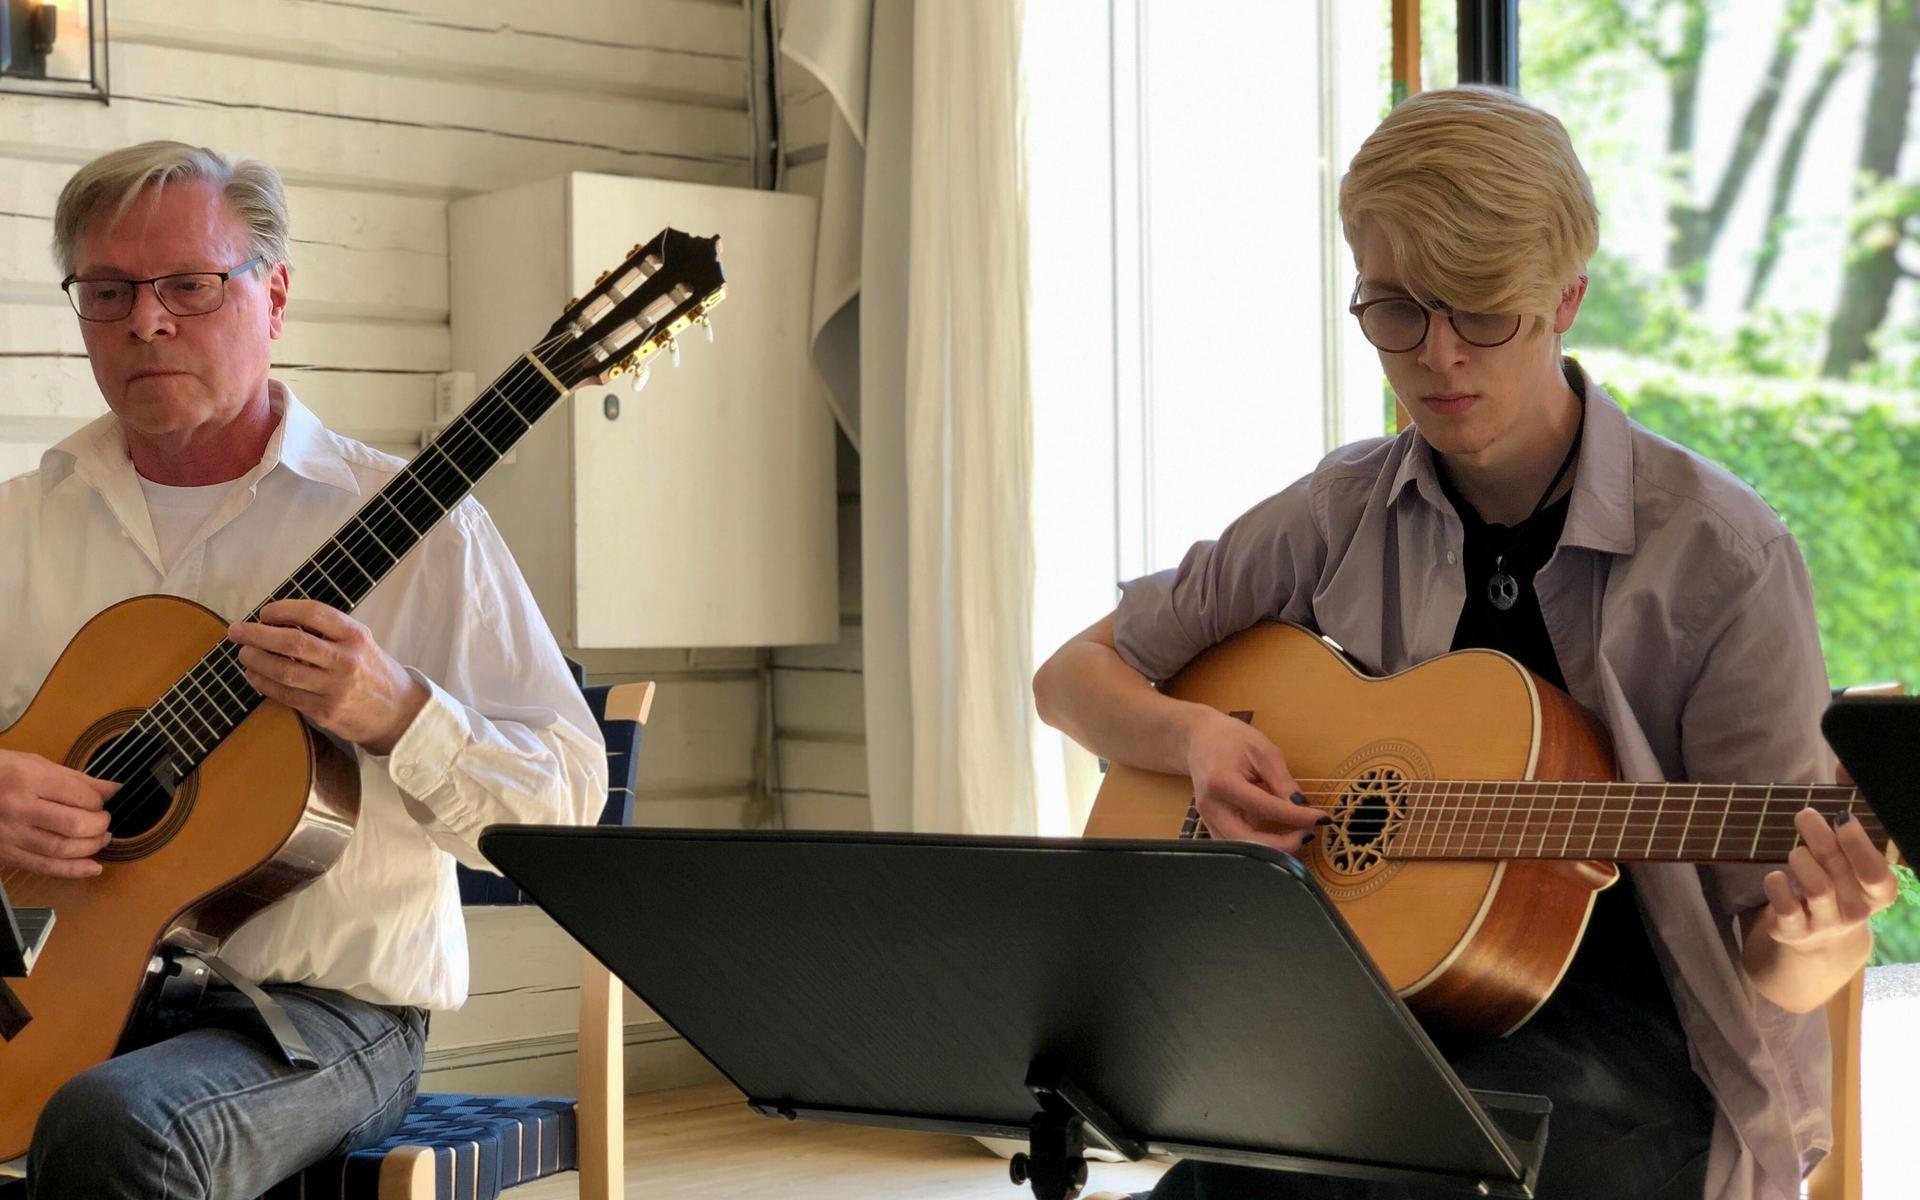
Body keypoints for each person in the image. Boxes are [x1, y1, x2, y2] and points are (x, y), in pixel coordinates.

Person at [1034, 87, 1897, 1200]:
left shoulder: (1723, 559)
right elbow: (1073, 678)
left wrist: (1821, 930)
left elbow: (1772, 965)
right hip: (1373, 1019)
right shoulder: (1339, 509)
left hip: (1643, 1063)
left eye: (1482, 310)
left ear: (1567, 298)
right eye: (1395, 308)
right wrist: (1194, 734)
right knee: (1231, 1181)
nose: (1437, 357)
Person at [0, 141, 606, 1198]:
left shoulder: (423, 529)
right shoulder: (20, 523)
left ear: (273, 296)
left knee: (118, 1128)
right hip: (56, 979)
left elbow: (568, 812)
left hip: (321, 1017)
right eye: (108, 292)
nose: (147, 322)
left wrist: (401, 713)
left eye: (190, 285)